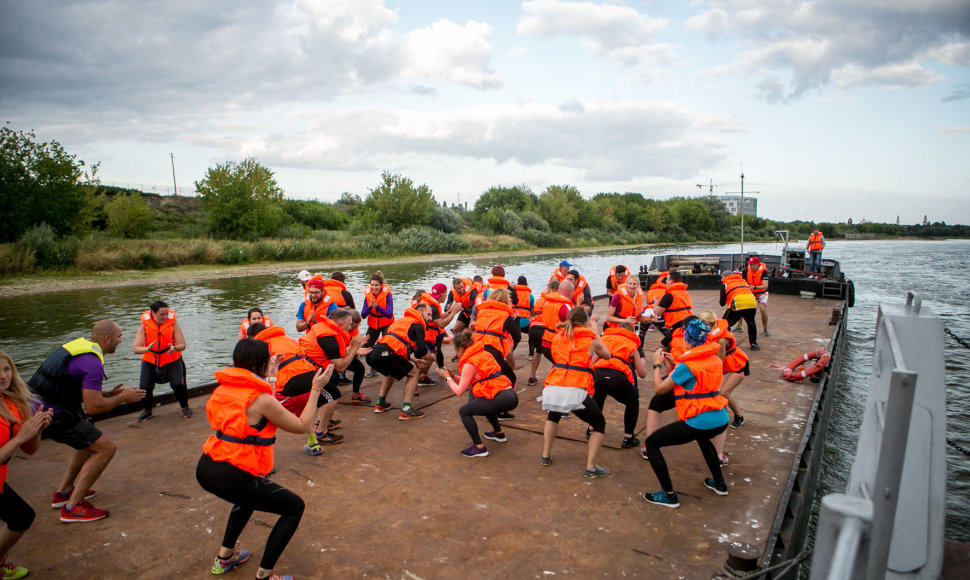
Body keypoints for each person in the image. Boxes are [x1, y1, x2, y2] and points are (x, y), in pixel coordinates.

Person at [196, 338, 333, 580]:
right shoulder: (260, 399)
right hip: (233, 474)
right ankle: (265, 576)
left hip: (208, 466)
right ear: (259, 363)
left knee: (247, 500)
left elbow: (256, 404)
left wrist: (269, 374)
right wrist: (315, 389)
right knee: (293, 507)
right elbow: (302, 425)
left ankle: (225, 558)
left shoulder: (223, 389)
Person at [28, 320, 146, 522]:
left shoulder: (80, 349)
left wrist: (109, 393)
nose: (120, 341)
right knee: (106, 448)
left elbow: (76, 389)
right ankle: (73, 507)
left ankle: (63, 493)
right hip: (50, 415)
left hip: (36, 407)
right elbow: (93, 407)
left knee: (86, 440)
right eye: (119, 337)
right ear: (107, 338)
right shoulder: (93, 363)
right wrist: (122, 398)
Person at [642, 319, 730, 508]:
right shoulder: (715, 360)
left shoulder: (686, 366)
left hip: (699, 421)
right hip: (720, 418)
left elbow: (660, 389)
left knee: (652, 443)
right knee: (703, 439)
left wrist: (657, 365)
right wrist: (677, 365)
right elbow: (697, 379)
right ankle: (720, 484)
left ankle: (669, 495)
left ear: (687, 340)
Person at [540, 307, 613, 478]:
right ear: (585, 321)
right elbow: (607, 355)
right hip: (573, 389)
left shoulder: (558, 336)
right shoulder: (591, 339)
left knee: (553, 415)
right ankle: (590, 467)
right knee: (599, 424)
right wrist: (595, 333)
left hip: (553, 387)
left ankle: (545, 455)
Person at [0, 351, 53, 579]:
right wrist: (21, 437)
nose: (3, 376)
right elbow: (19, 441)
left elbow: (29, 450)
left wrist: (36, 430)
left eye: (6, 369)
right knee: (20, 516)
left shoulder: (13, 401)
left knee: (21, 517)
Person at [249, 323, 340, 455]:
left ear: (252, 338)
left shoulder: (260, 347)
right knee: (306, 411)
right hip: (311, 381)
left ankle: (262, 455)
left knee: (264, 415)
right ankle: (313, 444)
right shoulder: (288, 339)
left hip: (289, 388)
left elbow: (261, 375)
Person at [435, 331, 518, 458]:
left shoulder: (470, 362)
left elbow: (459, 391)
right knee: (485, 402)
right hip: (510, 394)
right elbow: (478, 380)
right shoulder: (484, 354)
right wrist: (454, 377)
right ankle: (499, 434)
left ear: (461, 348)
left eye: (455, 349)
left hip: (501, 397)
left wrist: (447, 379)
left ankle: (479, 447)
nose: (456, 353)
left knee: (464, 411)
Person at [299, 310, 370, 445]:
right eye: (349, 325)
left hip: (311, 366)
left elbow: (335, 356)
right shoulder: (329, 337)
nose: (351, 328)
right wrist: (355, 347)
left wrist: (353, 349)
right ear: (340, 324)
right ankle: (320, 433)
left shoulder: (326, 328)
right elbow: (341, 367)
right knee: (333, 396)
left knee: (333, 381)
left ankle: (322, 422)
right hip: (305, 370)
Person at [366, 303, 434, 420]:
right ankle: (406, 409)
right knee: (415, 372)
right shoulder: (418, 325)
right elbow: (422, 351)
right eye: (428, 314)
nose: (430, 318)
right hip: (387, 354)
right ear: (419, 312)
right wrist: (432, 357)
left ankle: (380, 404)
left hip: (373, 353)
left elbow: (396, 344)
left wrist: (413, 359)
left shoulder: (401, 321)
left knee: (390, 372)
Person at [590, 322, 647, 449]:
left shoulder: (605, 340)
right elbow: (642, 374)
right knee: (633, 402)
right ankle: (628, 437)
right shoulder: (633, 345)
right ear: (632, 333)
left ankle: (591, 428)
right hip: (618, 378)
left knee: (599, 396)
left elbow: (591, 363)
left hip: (599, 375)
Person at [132, 300, 190, 421]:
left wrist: (175, 348)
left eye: (166, 314)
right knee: (144, 386)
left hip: (171, 357)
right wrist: (146, 348)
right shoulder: (144, 326)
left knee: (177, 384)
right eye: (161, 314)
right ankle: (147, 410)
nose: (164, 317)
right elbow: (136, 348)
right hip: (150, 359)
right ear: (153, 313)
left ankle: (185, 406)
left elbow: (182, 345)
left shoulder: (173, 324)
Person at [413, 285, 461, 386]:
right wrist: (454, 313)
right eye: (445, 294)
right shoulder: (432, 306)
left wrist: (450, 311)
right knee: (429, 357)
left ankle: (424, 376)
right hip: (426, 336)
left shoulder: (431, 302)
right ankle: (418, 379)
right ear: (441, 294)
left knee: (435, 353)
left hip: (432, 334)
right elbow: (441, 323)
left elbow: (438, 317)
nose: (446, 296)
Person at [651, 271, 695, 351]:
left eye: (667, 280)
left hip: (679, 326)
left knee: (660, 348)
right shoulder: (685, 293)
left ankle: (662, 362)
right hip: (689, 322)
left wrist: (656, 304)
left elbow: (657, 313)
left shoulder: (669, 295)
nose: (666, 282)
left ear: (671, 281)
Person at [719, 271, 760, 350]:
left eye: (722, 277)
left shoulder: (725, 285)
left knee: (725, 323)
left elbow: (722, 303)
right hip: (751, 301)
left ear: (726, 276)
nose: (721, 279)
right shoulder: (743, 281)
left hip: (737, 302)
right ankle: (754, 343)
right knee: (751, 323)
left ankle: (728, 343)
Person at [743, 256, 770, 337]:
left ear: (757, 264)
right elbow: (743, 281)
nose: (751, 266)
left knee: (762, 308)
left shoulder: (763, 272)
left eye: (753, 264)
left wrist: (754, 286)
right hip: (750, 292)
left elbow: (765, 286)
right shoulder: (746, 271)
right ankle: (739, 326)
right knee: (741, 306)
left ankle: (765, 329)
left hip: (762, 292)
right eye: (750, 264)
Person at [512, 276, 534, 356]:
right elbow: (532, 310)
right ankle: (531, 354)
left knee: (512, 337)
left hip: (513, 320)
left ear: (517, 283)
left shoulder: (512, 293)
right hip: (525, 322)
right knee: (532, 334)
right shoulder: (530, 295)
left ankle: (507, 354)